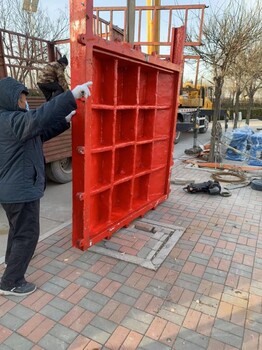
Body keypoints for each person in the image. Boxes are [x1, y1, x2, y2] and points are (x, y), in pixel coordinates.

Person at [0, 77, 92, 296]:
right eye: (22, 99)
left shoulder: (13, 122)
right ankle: (10, 282)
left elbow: (39, 134)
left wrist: (64, 121)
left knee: (18, 230)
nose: (26, 103)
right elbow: (39, 119)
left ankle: (10, 261)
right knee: (28, 234)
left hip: (14, 190)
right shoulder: (9, 120)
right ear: (10, 100)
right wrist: (70, 96)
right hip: (20, 191)